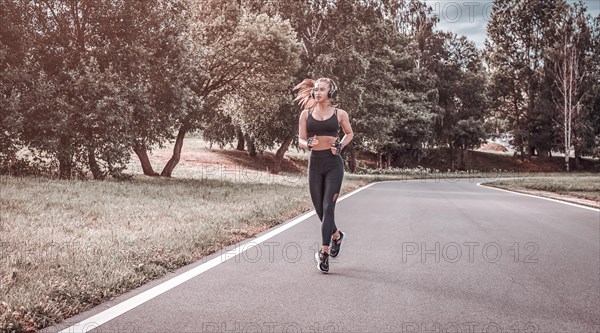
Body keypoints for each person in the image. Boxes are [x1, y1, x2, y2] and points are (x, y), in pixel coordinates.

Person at [293, 77, 354, 273]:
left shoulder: (339, 114)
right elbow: (301, 139)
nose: (318, 92)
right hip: (315, 163)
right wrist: (307, 144)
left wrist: (341, 145)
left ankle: (324, 253)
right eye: (316, 89)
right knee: (319, 209)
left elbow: (349, 133)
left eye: (322, 89)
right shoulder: (305, 114)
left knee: (329, 208)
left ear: (330, 92)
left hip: (333, 164)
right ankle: (337, 235)